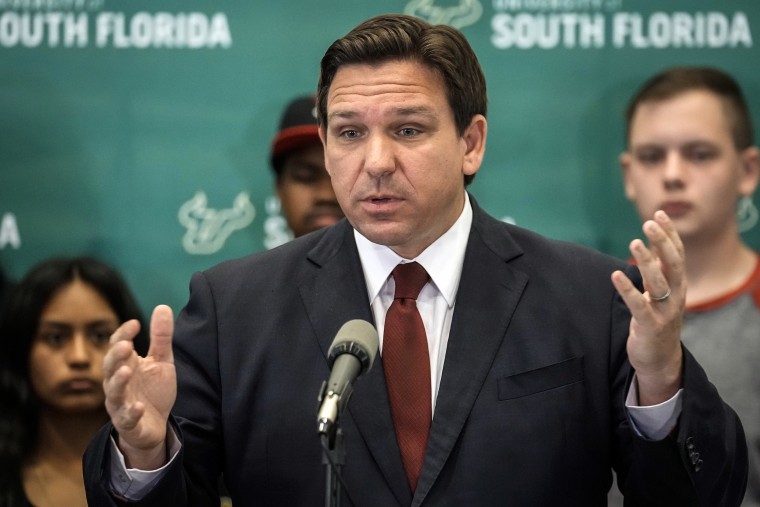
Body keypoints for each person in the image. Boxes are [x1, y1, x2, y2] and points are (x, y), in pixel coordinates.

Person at [83, 14, 747, 506]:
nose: (375, 161)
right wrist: (144, 451)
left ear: (471, 142)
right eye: (348, 133)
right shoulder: (235, 308)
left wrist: (660, 385)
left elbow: (700, 495)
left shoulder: (588, 296)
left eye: (407, 129)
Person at [615, 66, 759, 505]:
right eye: (652, 156)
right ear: (628, 174)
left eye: (699, 154)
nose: (673, 174)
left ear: (748, 170)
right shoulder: (586, 306)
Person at [0, 256, 148, 507]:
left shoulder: (164, 472)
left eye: (100, 336)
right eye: (56, 338)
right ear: (22, 347)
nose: (79, 357)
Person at [270, 94, 344, 239]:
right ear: (279, 189)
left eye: (342, 175)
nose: (326, 195)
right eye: (305, 177)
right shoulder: (257, 263)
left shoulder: (399, 261)